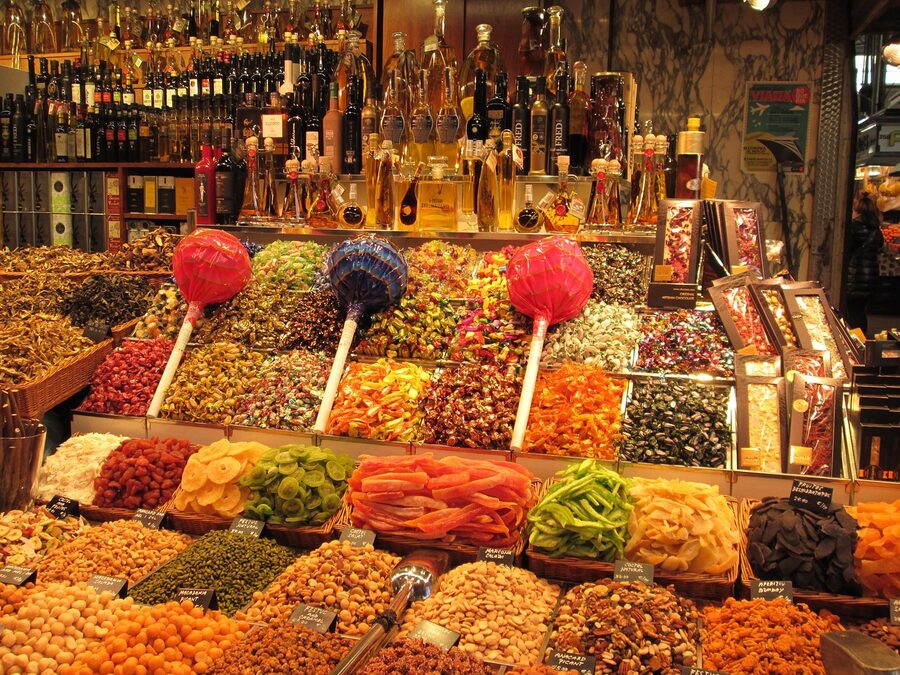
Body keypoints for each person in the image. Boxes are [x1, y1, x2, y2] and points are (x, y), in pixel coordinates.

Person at [845, 191, 884, 333]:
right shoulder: (876, 229)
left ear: (858, 209)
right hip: (870, 277)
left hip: (855, 276)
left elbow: (847, 249)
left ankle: (855, 341)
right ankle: (861, 338)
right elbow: (880, 247)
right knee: (861, 311)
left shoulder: (854, 226)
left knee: (853, 312)